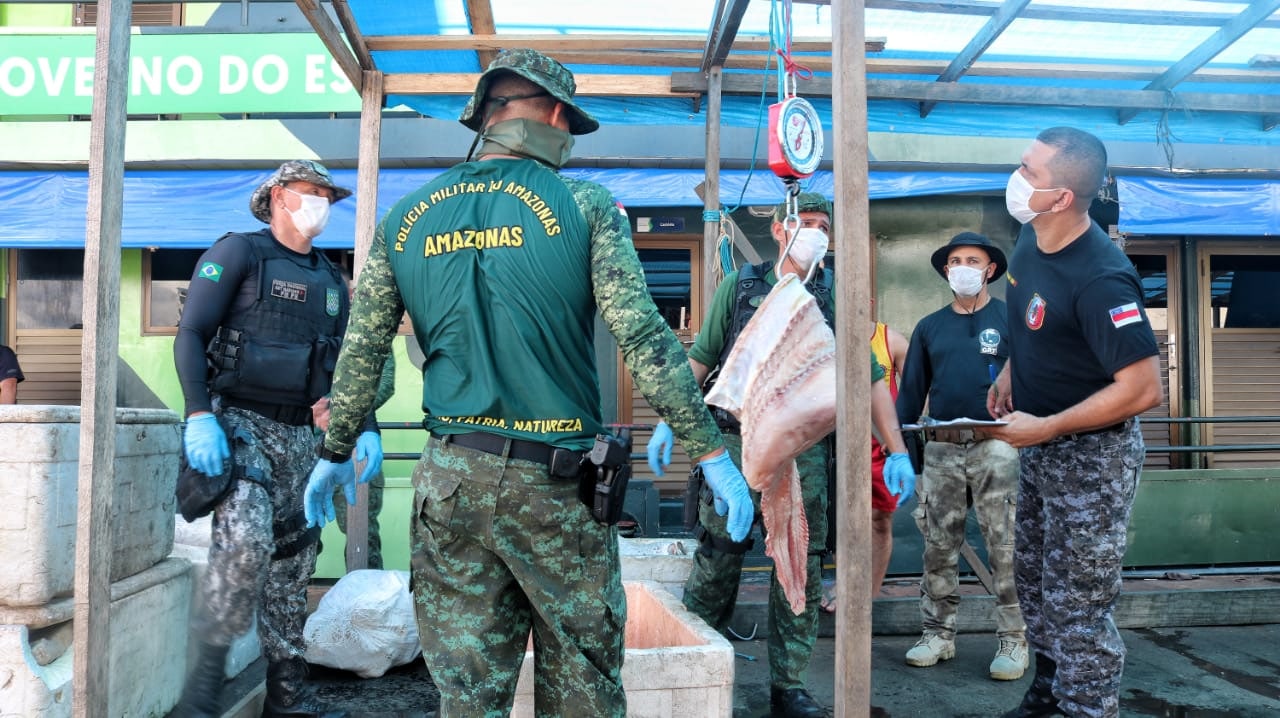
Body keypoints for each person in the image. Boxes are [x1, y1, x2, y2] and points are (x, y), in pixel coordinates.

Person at [303, 49, 753, 718]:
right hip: (555, 491)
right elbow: (644, 339)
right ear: (550, 112)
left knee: (467, 697)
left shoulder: (406, 217)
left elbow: (361, 353)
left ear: (484, 118)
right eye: (568, 123)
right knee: (582, 694)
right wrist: (710, 450)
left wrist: (335, 452)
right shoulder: (583, 203)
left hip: (449, 481)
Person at [646, 192, 916, 718]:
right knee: (719, 557)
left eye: (822, 225)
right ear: (778, 229)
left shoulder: (836, 296)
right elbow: (699, 363)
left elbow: (872, 380)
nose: (813, 232)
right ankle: (693, 666)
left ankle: (788, 687)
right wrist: (667, 423)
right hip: (733, 446)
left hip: (805, 453)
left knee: (800, 566)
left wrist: (897, 448)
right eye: (803, 222)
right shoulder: (742, 287)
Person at [173, 159, 383, 718]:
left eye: (327, 195)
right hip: (241, 425)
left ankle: (287, 697)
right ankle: (202, 689)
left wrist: (365, 427)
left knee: (295, 563)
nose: (320, 202)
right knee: (245, 543)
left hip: (304, 440)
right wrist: (199, 413)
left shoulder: (331, 281)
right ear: (278, 196)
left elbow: (349, 367)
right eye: (310, 192)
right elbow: (191, 332)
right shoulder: (238, 252)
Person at [987, 127, 1162, 718]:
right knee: (1034, 585)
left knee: (1078, 605)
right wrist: (1011, 370)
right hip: (1043, 445)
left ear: (1061, 197)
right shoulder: (1030, 242)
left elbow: (1142, 388)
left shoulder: (1102, 276)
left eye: (1028, 172)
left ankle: (1087, 707)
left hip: (1093, 458)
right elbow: (1033, 322)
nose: (1015, 179)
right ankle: (1050, 693)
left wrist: (1050, 426)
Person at [894, 231, 1028, 681]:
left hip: (999, 444)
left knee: (1005, 545)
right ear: (945, 271)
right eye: (954, 261)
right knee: (938, 547)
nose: (963, 267)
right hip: (942, 448)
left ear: (990, 269)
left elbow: (1036, 381)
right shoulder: (929, 326)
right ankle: (938, 634)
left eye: (973, 259)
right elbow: (910, 394)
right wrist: (903, 456)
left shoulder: (1012, 320)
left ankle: (1014, 638)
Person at [313, 350, 395, 569]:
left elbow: (385, 382)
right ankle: (292, 599)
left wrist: (339, 408)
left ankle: (369, 602)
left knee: (363, 537)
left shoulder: (368, 321)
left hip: (356, 446)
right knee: (298, 535)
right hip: (304, 444)